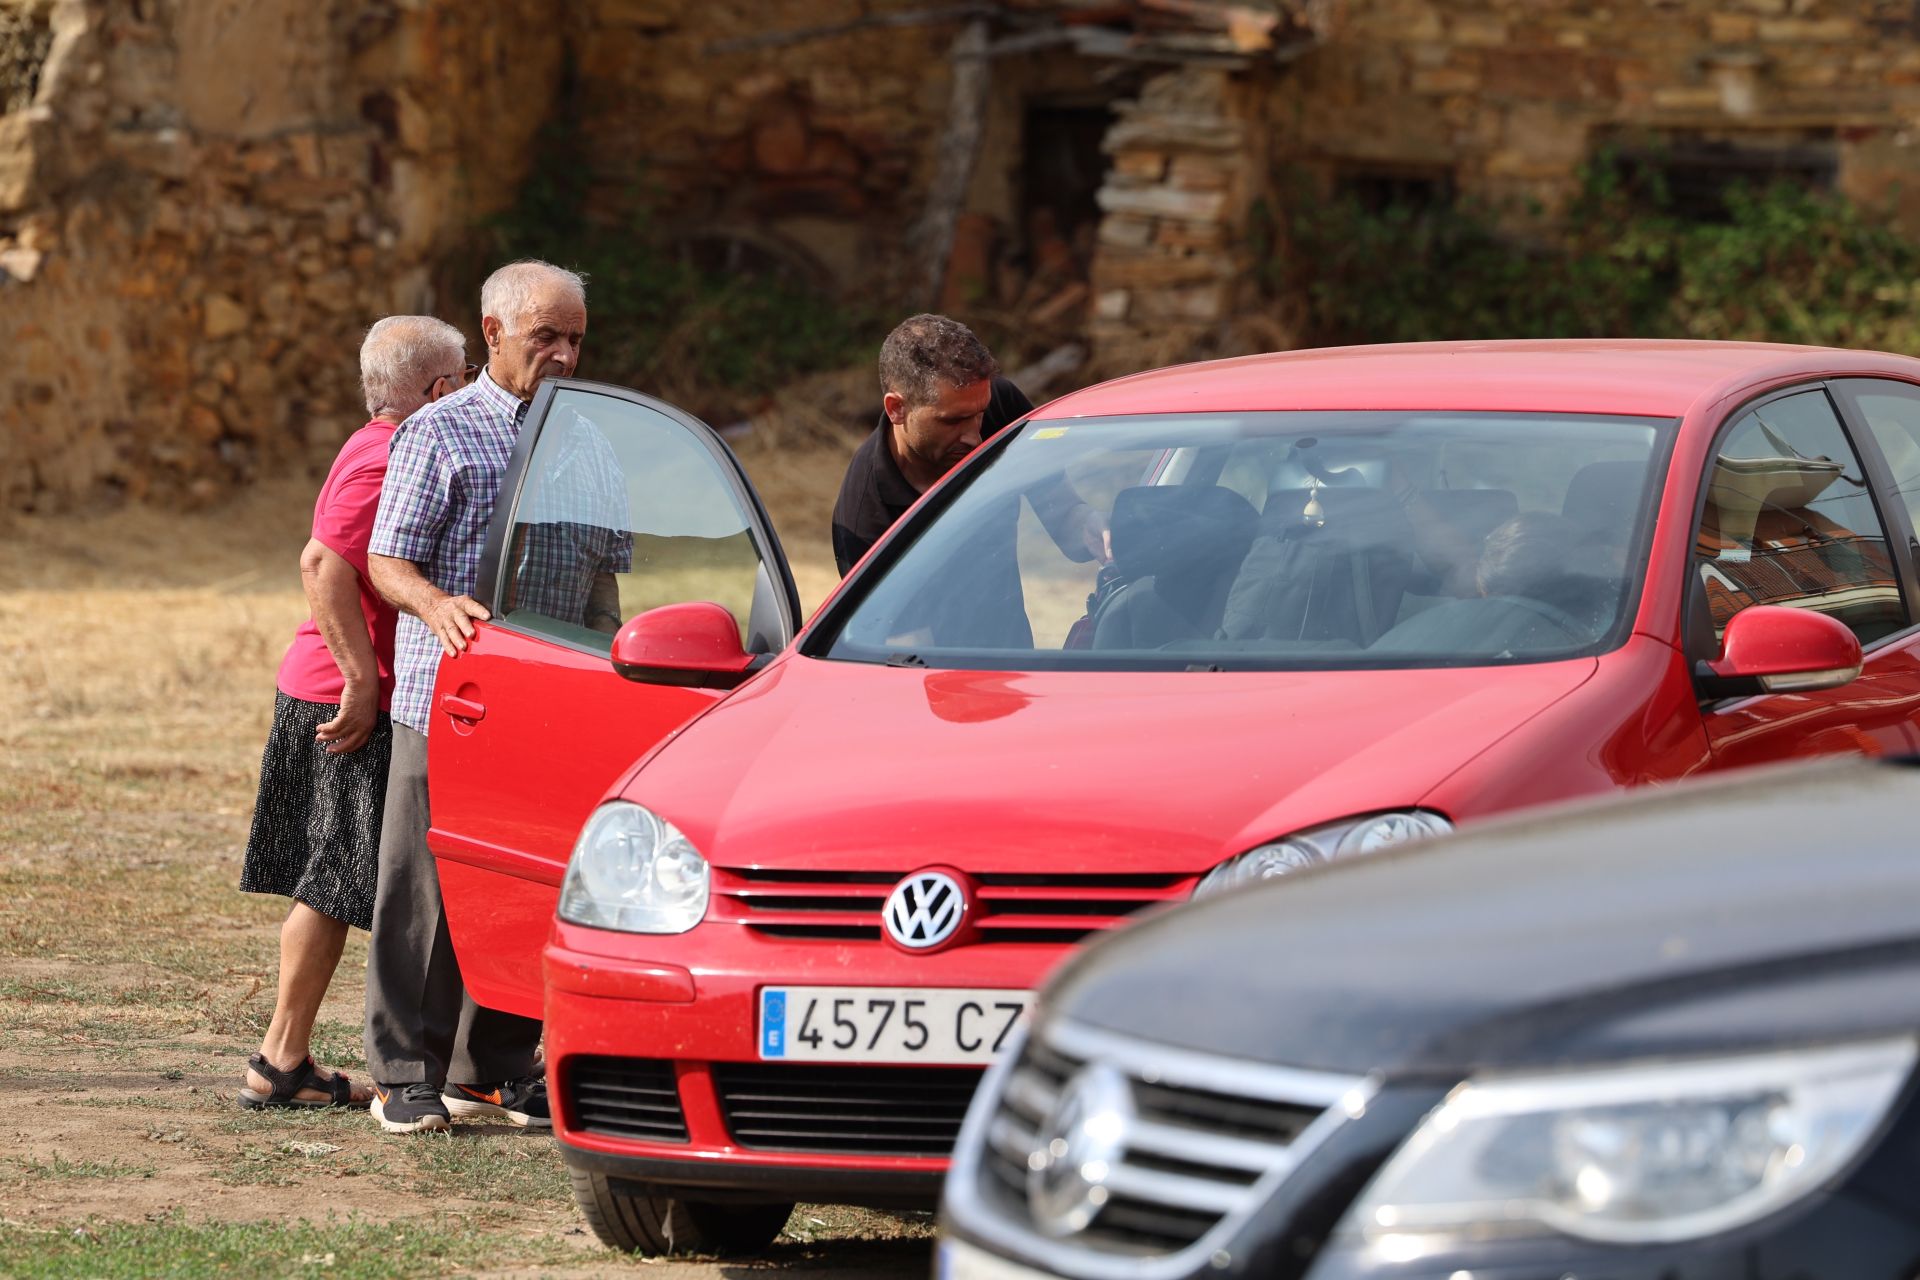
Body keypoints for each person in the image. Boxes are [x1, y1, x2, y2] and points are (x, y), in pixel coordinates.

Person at [362, 260, 593, 1134]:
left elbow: (601, 577)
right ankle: (401, 1072)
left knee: (521, 886)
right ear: (492, 335)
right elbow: (387, 562)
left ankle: (489, 1068)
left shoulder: (591, 439)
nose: (565, 353)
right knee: (419, 891)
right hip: (449, 700)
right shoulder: (440, 433)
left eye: (575, 336)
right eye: (547, 337)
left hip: (549, 710)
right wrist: (435, 604)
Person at [237, 315, 471, 1111]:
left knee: (335, 880)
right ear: (439, 390)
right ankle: (279, 1058)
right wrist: (361, 679)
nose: (469, 389)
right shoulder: (385, 453)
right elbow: (321, 564)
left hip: (340, 683)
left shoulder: (377, 442)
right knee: (332, 880)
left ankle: (286, 1058)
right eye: (463, 377)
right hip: (340, 692)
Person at [830, 313, 1105, 576]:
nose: (976, 438)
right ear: (897, 408)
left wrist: (1097, 531)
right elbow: (894, 625)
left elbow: (1061, 509)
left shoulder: (998, 405)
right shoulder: (865, 519)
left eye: (980, 414)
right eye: (953, 421)